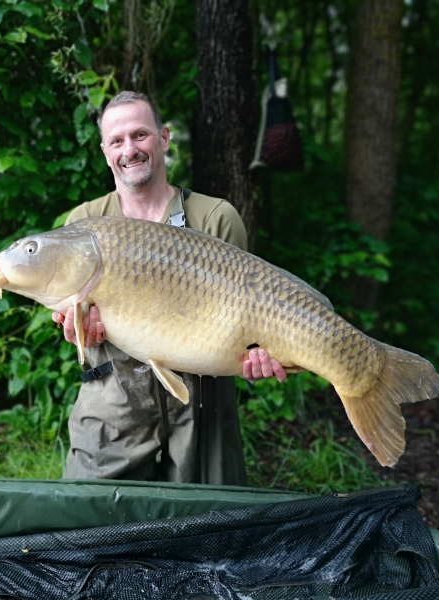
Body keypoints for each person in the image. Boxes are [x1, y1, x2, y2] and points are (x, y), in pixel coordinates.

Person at [51, 91, 287, 485]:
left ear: (163, 138)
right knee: (88, 528)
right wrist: (75, 331)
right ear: (105, 151)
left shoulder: (214, 217)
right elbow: (70, 325)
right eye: (117, 141)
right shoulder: (85, 222)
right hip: (113, 406)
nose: (130, 149)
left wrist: (257, 354)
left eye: (140, 135)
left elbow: (252, 317)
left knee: (206, 534)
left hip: (202, 409)